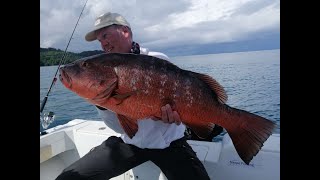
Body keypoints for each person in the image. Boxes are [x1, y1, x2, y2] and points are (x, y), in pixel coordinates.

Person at [56, 12, 221, 180]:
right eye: (100, 40)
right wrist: (102, 103)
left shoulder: (155, 59)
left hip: (169, 143)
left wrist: (176, 116)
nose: (103, 43)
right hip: (131, 143)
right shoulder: (102, 76)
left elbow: (184, 96)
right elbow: (120, 128)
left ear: (125, 32)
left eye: (105, 35)